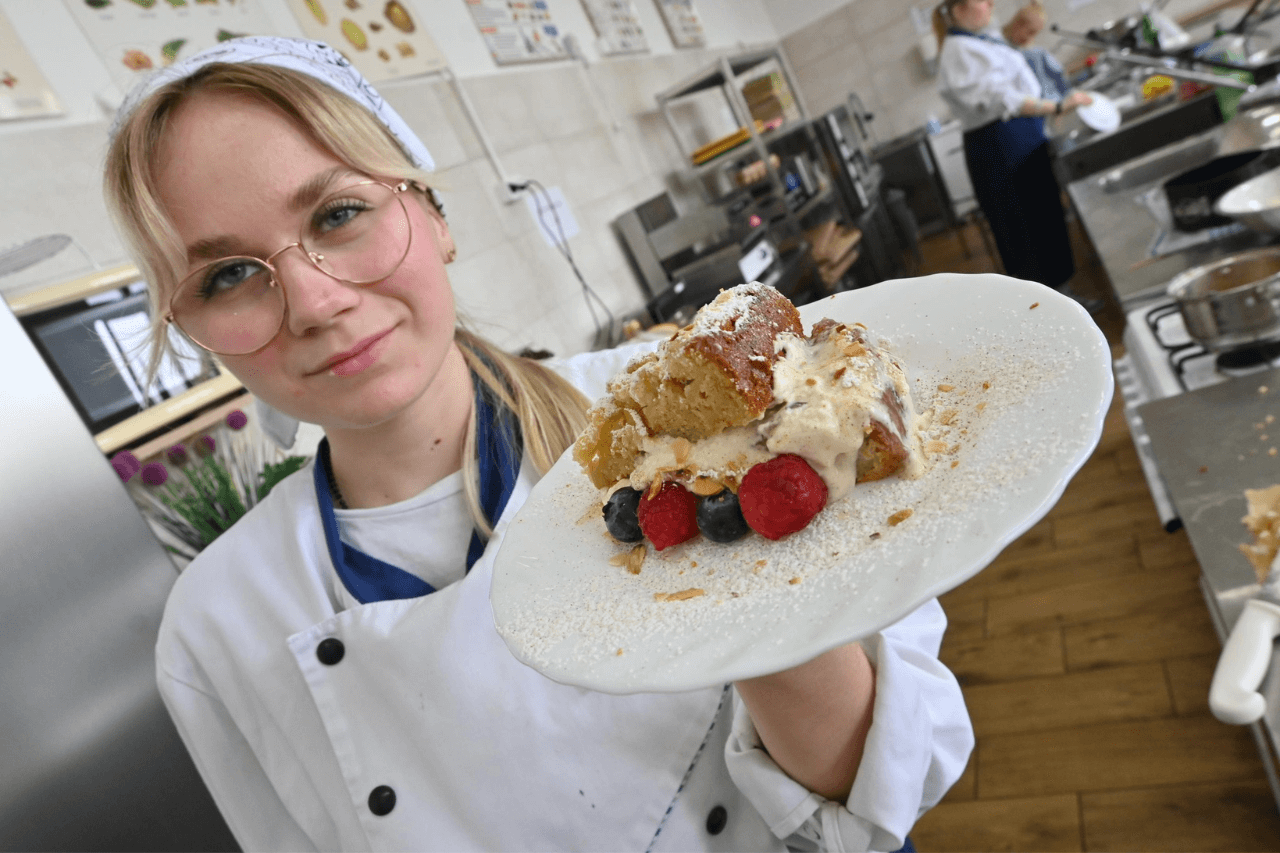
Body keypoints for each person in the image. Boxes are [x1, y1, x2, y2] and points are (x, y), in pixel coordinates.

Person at [103, 36, 973, 851]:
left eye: (338, 214)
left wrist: (738, 567)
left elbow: (901, 769)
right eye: (226, 275)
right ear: (195, 329)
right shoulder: (218, 625)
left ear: (433, 214)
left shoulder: (680, 421)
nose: (314, 301)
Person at [933, 0, 1102, 312]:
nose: (989, 4)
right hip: (1000, 144)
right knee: (1025, 226)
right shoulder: (958, 50)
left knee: (1044, 215)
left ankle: (1064, 300)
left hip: (1018, 137)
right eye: (980, 1)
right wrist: (1058, 106)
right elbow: (1001, 99)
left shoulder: (980, 41)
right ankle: (1044, 312)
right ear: (958, 9)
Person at [1002, 2, 1071, 103]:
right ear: (1017, 24)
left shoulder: (1037, 54)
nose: (1030, 38)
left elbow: (1060, 78)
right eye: (1030, 32)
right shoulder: (998, 48)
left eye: (1035, 34)